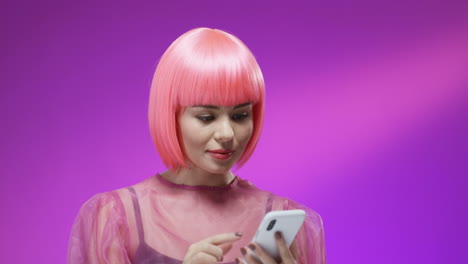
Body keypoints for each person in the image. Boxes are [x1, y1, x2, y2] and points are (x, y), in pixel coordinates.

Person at [67, 27, 327, 264]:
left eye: (240, 115)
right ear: (170, 115)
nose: (227, 134)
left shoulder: (290, 220)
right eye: (206, 117)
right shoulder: (116, 217)